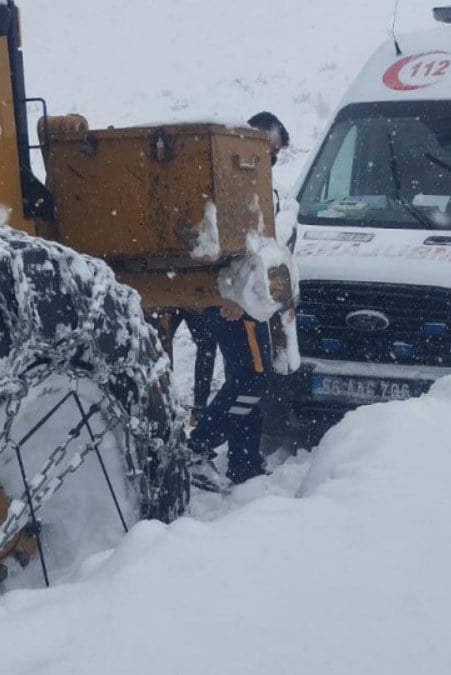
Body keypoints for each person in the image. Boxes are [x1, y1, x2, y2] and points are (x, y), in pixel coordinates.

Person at [188, 112, 290, 487]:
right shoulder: (233, 179)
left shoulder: (251, 178)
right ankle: (196, 450)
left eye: (275, 155)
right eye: (269, 150)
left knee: (243, 376)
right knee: (252, 378)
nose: (271, 160)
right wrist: (229, 295)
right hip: (236, 300)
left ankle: (244, 463)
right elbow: (229, 242)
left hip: (250, 298)